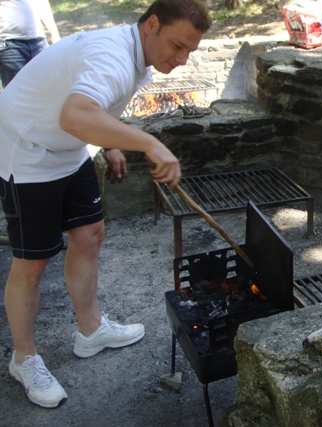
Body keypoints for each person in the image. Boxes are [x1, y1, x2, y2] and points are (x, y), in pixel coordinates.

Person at [0, 0, 211, 409]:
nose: (182, 60)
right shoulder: (113, 56)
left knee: (90, 234)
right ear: (151, 25)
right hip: (26, 149)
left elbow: (92, 108)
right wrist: (149, 142)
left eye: (191, 51)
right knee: (33, 261)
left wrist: (112, 141)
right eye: (178, 46)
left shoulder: (138, 55)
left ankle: (91, 329)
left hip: (67, 145)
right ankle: (24, 358)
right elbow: (76, 114)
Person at [0, 0, 60, 87]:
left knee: (49, 88)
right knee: (19, 92)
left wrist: (54, 33)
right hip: (9, 43)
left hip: (39, 41)